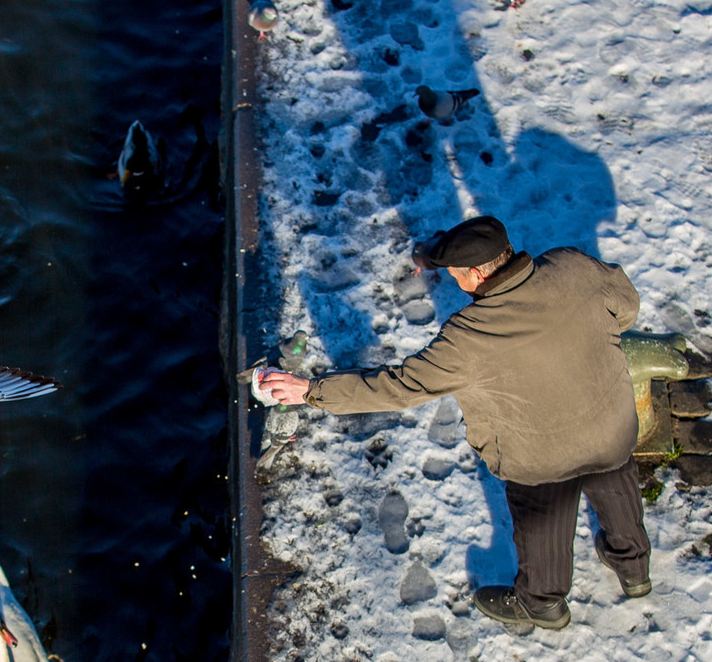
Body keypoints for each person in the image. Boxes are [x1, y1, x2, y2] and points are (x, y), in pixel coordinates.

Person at [258, 215, 650, 631]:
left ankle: (543, 603)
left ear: (477, 274)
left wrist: (311, 391)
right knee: (616, 486)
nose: (456, 284)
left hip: (540, 458)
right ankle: (635, 569)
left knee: (544, 524)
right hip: (610, 427)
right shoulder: (575, 268)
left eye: (457, 275)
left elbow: (398, 387)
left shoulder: (467, 338)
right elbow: (626, 309)